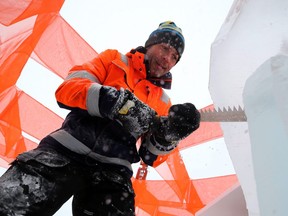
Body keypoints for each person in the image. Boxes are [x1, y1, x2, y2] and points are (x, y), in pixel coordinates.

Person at [0, 21, 200, 216]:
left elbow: (150, 155)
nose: (168, 59)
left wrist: (169, 136)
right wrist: (115, 102)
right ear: (150, 45)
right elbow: (68, 89)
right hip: (64, 150)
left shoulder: (163, 102)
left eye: (175, 57)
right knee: (8, 207)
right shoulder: (113, 59)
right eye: (164, 48)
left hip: (113, 174)